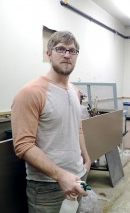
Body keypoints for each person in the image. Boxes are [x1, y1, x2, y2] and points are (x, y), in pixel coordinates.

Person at [11, 31, 91, 213]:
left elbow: (77, 128)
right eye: (61, 49)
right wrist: (61, 176)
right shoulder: (31, 92)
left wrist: (86, 160)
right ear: (49, 54)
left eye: (73, 51)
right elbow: (23, 145)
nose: (67, 55)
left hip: (77, 179)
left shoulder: (74, 91)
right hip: (46, 188)